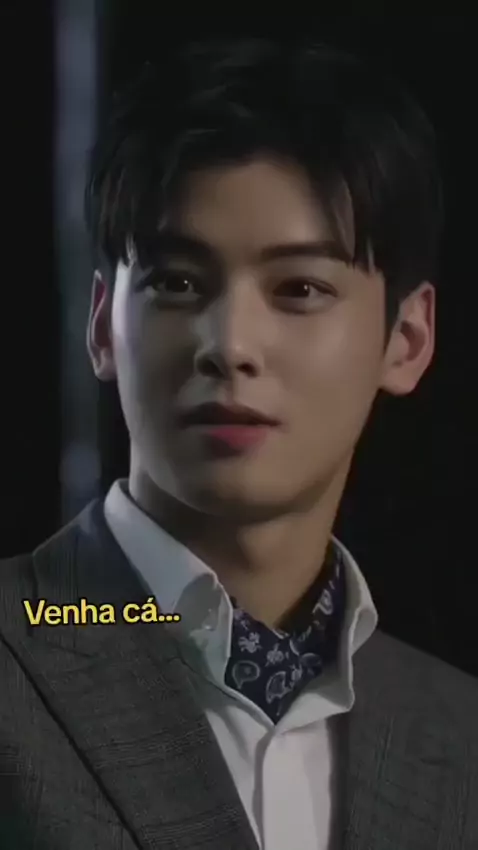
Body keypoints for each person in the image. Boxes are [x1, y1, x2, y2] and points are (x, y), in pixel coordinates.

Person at [0, 37, 477, 850]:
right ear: (102, 326)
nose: (229, 345)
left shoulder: (459, 736)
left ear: (406, 339)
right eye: (177, 282)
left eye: (299, 288)